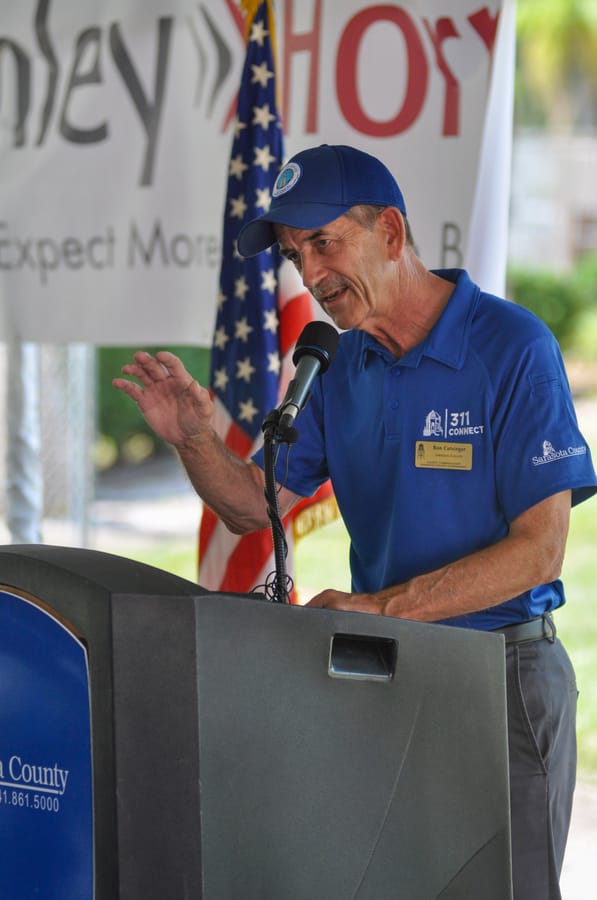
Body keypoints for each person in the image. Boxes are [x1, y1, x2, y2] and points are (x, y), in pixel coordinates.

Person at [113, 144, 597, 899]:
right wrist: (194, 438)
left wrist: (377, 609)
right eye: (293, 252)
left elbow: (539, 552)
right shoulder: (334, 368)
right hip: (386, 673)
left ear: (392, 234)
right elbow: (249, 505)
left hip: (500, 676)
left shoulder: (510, 347)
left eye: (323, 243)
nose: (307, 274)